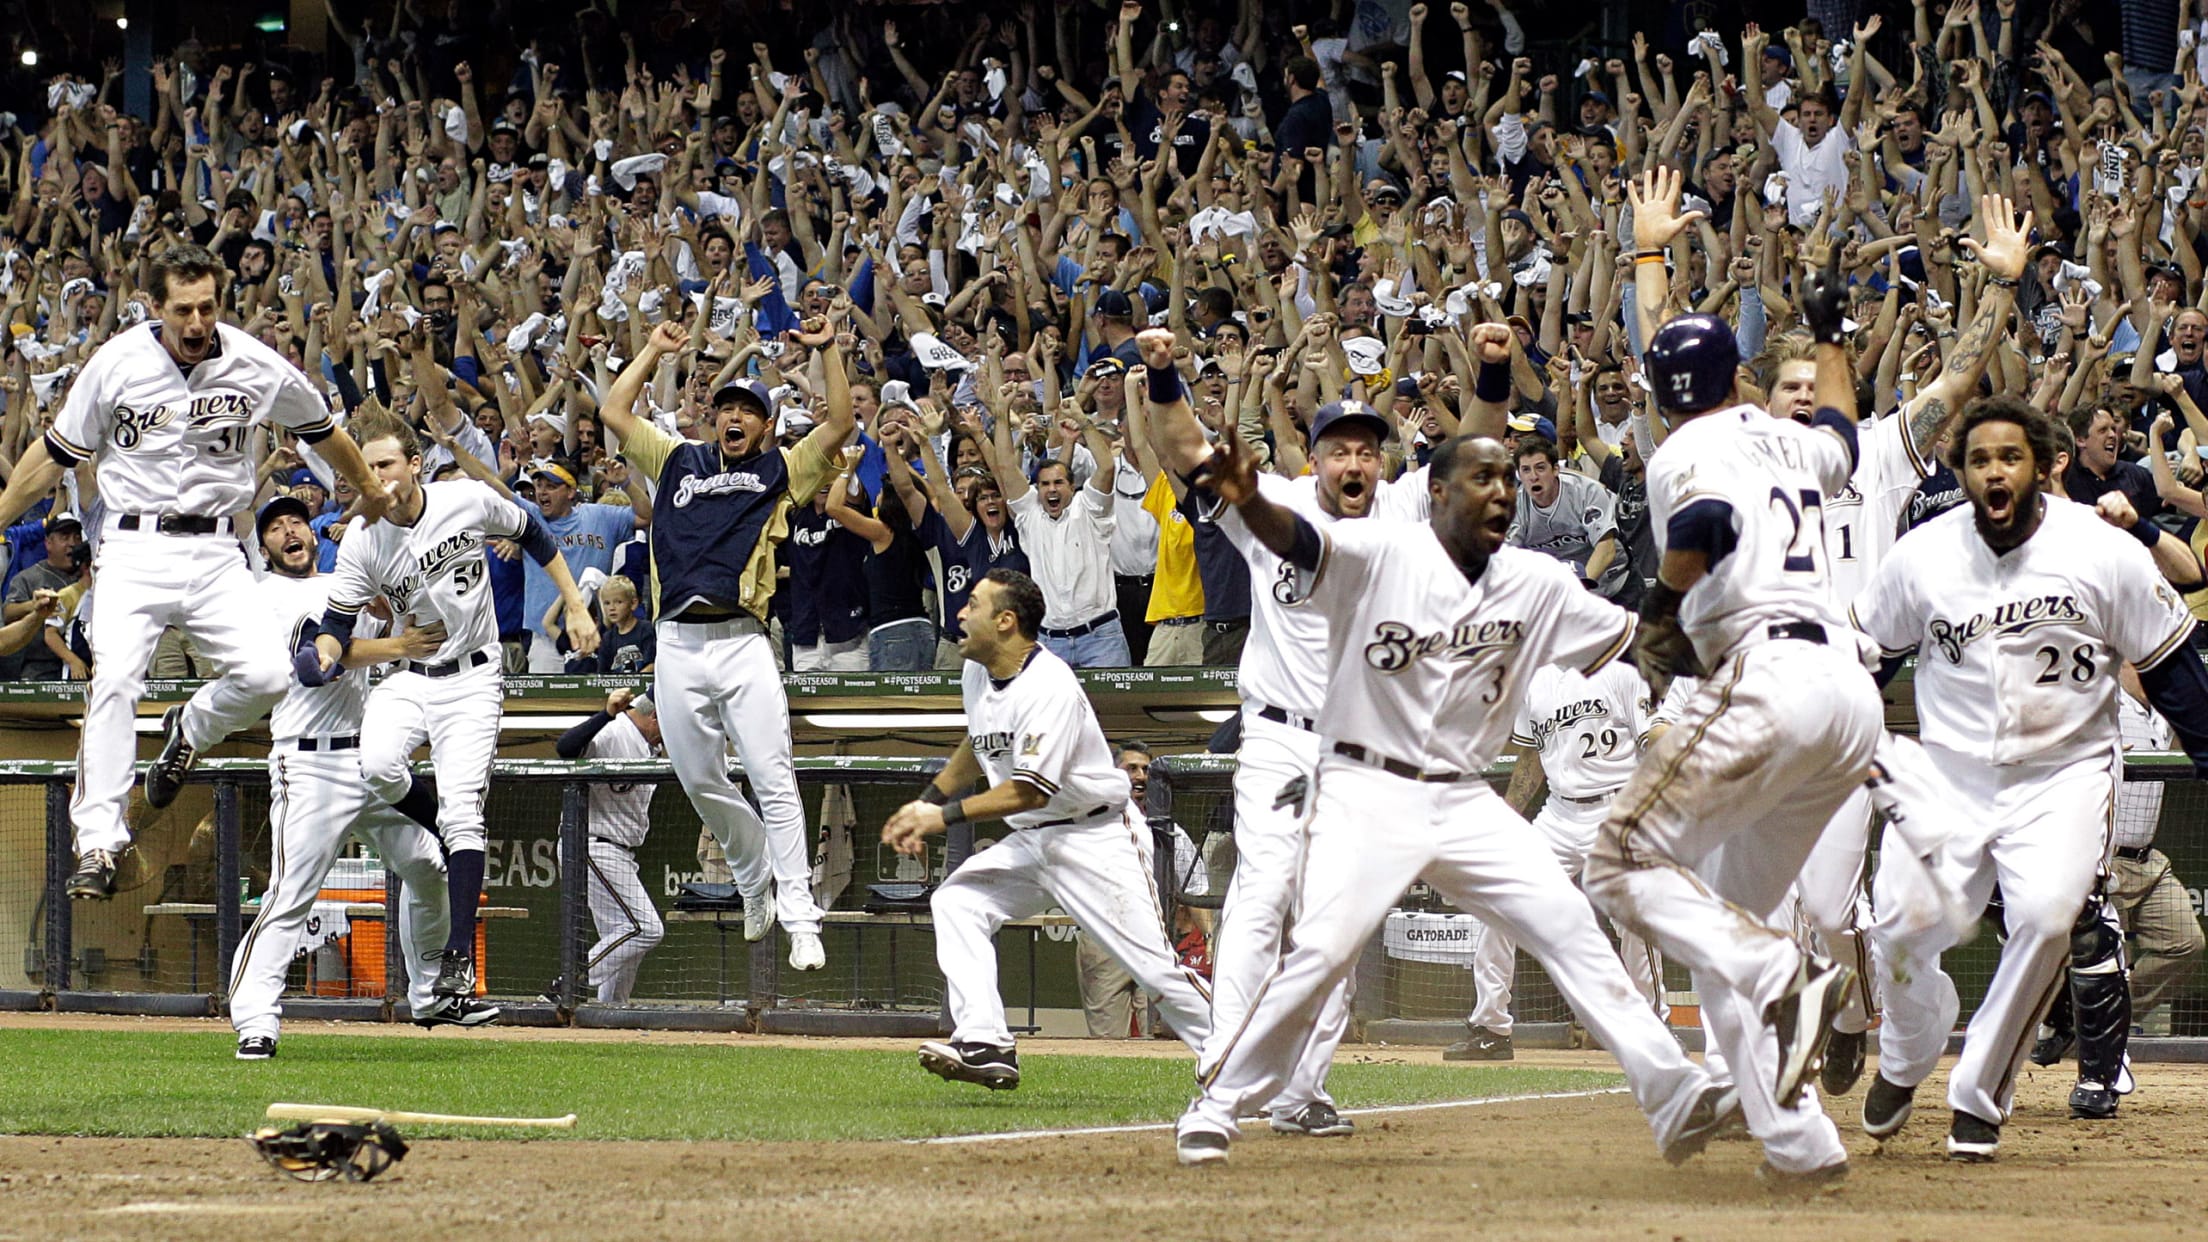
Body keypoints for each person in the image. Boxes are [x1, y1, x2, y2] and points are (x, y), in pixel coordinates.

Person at [1172, 431, 1727, 1169]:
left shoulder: (1538, 581)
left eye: (1508, 479)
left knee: (1568, 925)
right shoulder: (1383, 554)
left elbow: (1640, 643)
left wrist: (1739, 639)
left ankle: (1671, 1091)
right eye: (1481, 478)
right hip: (1367, 790)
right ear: (1436, 494)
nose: (1501, 491)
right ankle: (1217, 1104)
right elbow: (1301, 542)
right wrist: (1248, 500)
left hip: (1465, 798)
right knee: (1323, 950)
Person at [1851, 397, 2208, 1161]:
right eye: (1979, 460)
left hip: (2065, 772)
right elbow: (1869, 656)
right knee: (1898, 930)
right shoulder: (1921, 554)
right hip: (1948, 774)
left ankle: (1980, 1092)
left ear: (2041, 467)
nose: (1994, 471)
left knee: (2048, 918)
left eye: (2009, 457)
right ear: (1962, 473)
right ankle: (1910, 1055)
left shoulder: (2101, 550)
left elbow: (2172, 668)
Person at [1581, 280, 1876, 1185]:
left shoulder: (1683, 449)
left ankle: (1781, 969)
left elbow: (1706, 521)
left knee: (1618, 860)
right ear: (1738, 377)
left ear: (1661, 394)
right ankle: (1797, 1142)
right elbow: (1843, 437)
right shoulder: (1786, 437)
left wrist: (1661, 607)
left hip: (1766, 678)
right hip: (1846, 697)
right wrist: (1831, 335)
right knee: (1717, 912)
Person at [1136, 325, 1454, 1137]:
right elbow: (1186, 451)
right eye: (1339, 450)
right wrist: (1165, 374)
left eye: (1367, 451)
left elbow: (1478, 439)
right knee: (1265, 893)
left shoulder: (1404, 514)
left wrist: (1487, 366)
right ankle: (1225, 1065)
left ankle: (1300, 1090)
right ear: (1311, 459)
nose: (1355, 464)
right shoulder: (1266, 507)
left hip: (1361, 745)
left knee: (1338, 918)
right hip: (1278, 736)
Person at [0, 245, 393, 900]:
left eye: (207, 306)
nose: (196, 320)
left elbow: (325, 430)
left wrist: (368, 490)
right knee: (117, 682)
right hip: (132, 546)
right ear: (157, 308)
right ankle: (98, 842)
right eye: (183, 308)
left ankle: (192, 725)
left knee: (269, 674)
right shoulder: (118, 363)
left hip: (216, 551)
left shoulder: (253, 363)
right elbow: (53, 457)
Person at [308, 409, 599, 1022]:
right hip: (410, 675)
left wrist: (574, 604)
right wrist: (327, 655)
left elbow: (536, 535)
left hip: (474, 677)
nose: (377, 475)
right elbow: (336, 631)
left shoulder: (464, 499)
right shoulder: (361, 540)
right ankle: (438, 821)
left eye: (386, 462)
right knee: (378, 766)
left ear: (414, 465)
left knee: (466, 815)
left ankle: (457, 963)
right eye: (368, 465)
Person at [880, 571, 1211, 1087]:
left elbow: (1033, 789)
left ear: (1006, 621)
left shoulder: (1049, 682)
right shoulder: (978, 671)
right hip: (1036, 839)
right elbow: (980, 740)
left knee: (1153, 970)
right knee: (957, 902)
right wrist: (929, 798)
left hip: (1096, 835)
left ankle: (1239, 1050)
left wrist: (941, 817)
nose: (960, 614)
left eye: (973, 605)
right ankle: (986, 1042)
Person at [599, 317, 855, 972]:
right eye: (727, 409)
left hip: (742, 642)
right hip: (678, 646)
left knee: (773, 775)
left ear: (766, 424)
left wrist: (826, 351)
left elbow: (840, 424)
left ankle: (800, 913)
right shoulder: (677, 458)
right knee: (700, 778)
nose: (735, 418)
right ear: (713, 419)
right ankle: (751, 879)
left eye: (749, 410)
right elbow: (613, 409)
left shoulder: (779, 469)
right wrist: (653, 350)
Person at [229, 495, 469, 1058]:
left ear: (313, 535)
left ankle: (429, 990)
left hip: (370, 756)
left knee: (428, 863)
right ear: (264, 548)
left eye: (295, 523)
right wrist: (399, 645)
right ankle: (256, 1019)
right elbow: (318, 662)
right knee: (291, 894)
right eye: (274, 528)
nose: (287, 531)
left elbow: (391, 602)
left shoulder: (343, 581)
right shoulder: (266, 595)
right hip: (309, 762)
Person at [1456, 657, 1664, 1061]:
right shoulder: (1536, 681)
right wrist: (1507, 817)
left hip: (1618, 804)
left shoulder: (1622, 672)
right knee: (1500, 901)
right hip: (1559, 812)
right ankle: (1490, 1028)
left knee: (1634, 920)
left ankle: (1654, 1027)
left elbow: (1652, 743)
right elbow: (1531, 759)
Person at [552, 687, 667, 1006]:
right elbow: (565, 748)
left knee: (624, 941)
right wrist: (605, 714)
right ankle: (570, 981)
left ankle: (610, 1013)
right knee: (645, 929)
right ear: (655, 715)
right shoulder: (616, 730)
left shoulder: (648, 746)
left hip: (619, 852)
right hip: (592, 846)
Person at [991, 405, 1130, 668]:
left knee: (1113, 710)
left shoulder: (1089, 507)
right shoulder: (1029, 515)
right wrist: (1001, 413)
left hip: (1101, 638)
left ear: (1073, 486)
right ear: (1037, 488)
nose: (1051, 489)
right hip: (1050, 641)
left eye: (1058, 483)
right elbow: (1005, 467)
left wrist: (1083, 423)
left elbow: (1107, 468)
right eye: (1044, 484)